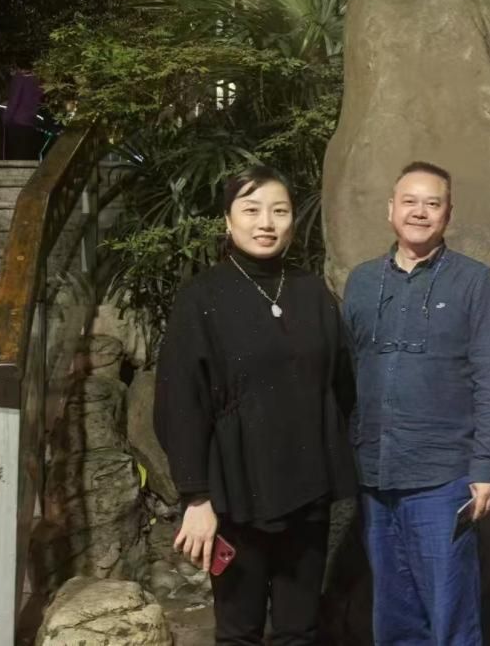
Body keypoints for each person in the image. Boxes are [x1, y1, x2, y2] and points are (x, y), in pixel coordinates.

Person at [154, 166, 357, 646]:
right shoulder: (201, 297)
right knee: (238, 631)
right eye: (251, 210)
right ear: (228, 221)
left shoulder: (312, 292)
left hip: (307, 489)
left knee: (299, 629)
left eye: (279, 211)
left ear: (292, 221)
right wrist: (196, 498)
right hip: (235, 492)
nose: (266, 222)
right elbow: (179, 401)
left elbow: (341, 386)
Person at [340, 161, 490, 646]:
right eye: (409, 201)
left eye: (432, 203)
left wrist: (487, 466)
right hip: (376, 477)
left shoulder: (474, 281)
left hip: (444, 479)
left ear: (447, 213)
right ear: (390, 209)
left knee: (450, 615)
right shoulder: (362, 282)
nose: (420, 212)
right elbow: (348, 373)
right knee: (393, 615)